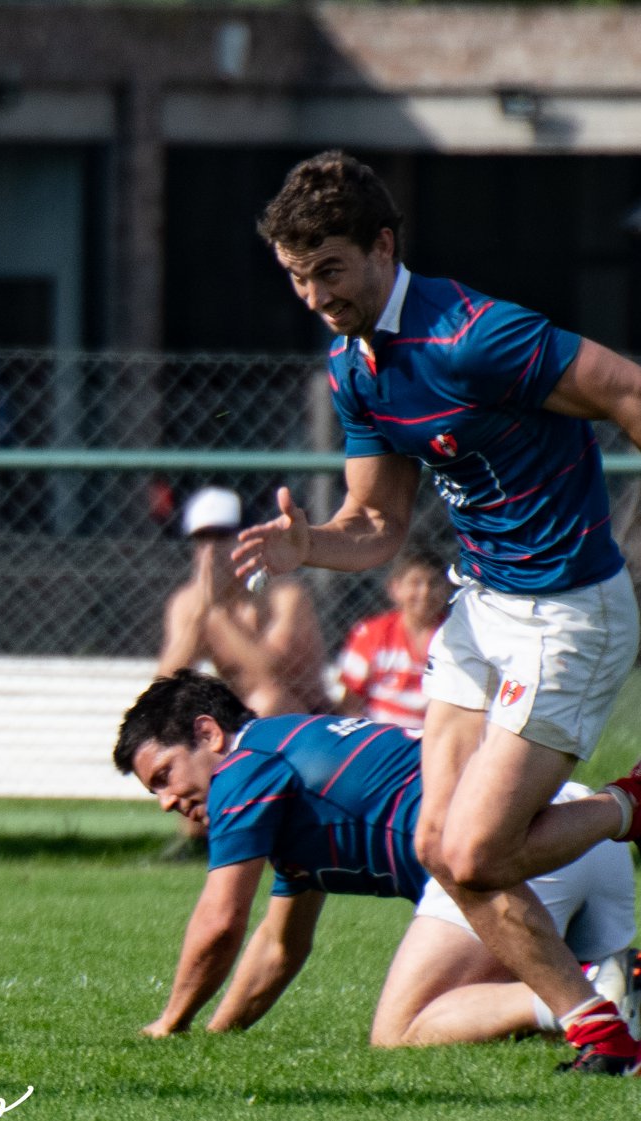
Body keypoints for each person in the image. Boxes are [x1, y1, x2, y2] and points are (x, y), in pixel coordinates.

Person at [237, 149, 641, 1073]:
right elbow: (375, 524)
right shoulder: (354, 364)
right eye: (298, 278)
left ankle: (626, 808)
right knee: (435, 845)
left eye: (330, 270)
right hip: (481, 608)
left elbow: (627, 392)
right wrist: (309, 546)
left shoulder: (475, 335)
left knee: (475, 851)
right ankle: (597, 1024)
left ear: (383, 248)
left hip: (567, 612)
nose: (316, 297)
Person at [116, 672, 637, 1046]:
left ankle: (589, 988)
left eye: (164, 774)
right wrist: (216, 1036)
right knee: (541, 1029)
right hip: (571, 829)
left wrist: (171, 1022)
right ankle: (604, 986)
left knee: (403, 1029)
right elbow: (280, 944)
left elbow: (221, 921)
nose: (166, 800)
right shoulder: (287, 753)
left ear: (208, 733)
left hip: (499, 860)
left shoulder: (243, 771)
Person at [158, 486, 328, 718]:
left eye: (222, 536)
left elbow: (271, 676)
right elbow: (164, 683)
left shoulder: (285, 596)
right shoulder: (188, 602)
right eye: (202, 538)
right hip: (240, 716)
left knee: (267, 700)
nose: (212, 548)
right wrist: (200, 615)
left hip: (304, 714)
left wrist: (219, 613)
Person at [336, 549, 452, 729]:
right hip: (381, 736)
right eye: (416, 583)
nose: (425, 592)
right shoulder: (371, 633)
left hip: (435, 733)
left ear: (446, 588)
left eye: (434, 583)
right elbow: (351, 700)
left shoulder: (456, 636)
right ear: (395, 588)